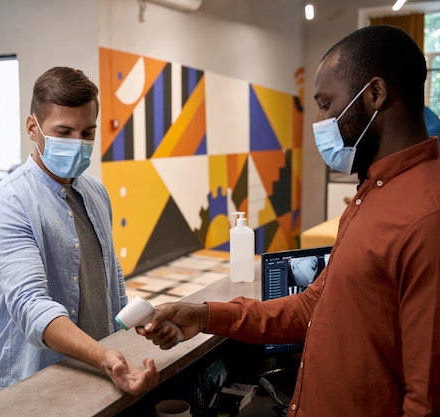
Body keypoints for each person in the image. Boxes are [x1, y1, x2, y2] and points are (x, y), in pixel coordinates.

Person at [138, 25, 440, 417]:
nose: (318, 120)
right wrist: (206, 315)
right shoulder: (372, 190)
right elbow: (312, 306)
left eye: (326, 104)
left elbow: (427, 400)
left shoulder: (427, 218)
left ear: (375, 95)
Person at [0, 66, 158, 394]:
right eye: (63, 132)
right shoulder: (7, 204)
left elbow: (109, 276)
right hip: (40, 379)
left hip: (103, 368)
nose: (78, 144)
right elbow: (31, 306)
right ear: (33, 128)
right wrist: (103, 356)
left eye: (87, 133)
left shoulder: (95, 191)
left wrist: (128, 333)